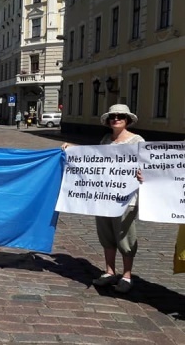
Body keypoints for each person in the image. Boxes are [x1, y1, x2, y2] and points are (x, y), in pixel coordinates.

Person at [62, 104, 144, 293]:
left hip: (126, 198)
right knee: (106, 235)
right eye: (113, 116)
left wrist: (143, 175)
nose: (116, 119)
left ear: (127, 120)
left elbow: (147, 166)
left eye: (120, 116)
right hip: (104, 196)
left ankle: (127, 276)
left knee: (125, 237)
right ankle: (109, 271)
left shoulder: (137, 140)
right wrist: (73, 149)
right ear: (108, 120)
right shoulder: (106, 140)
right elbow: (94, 158)